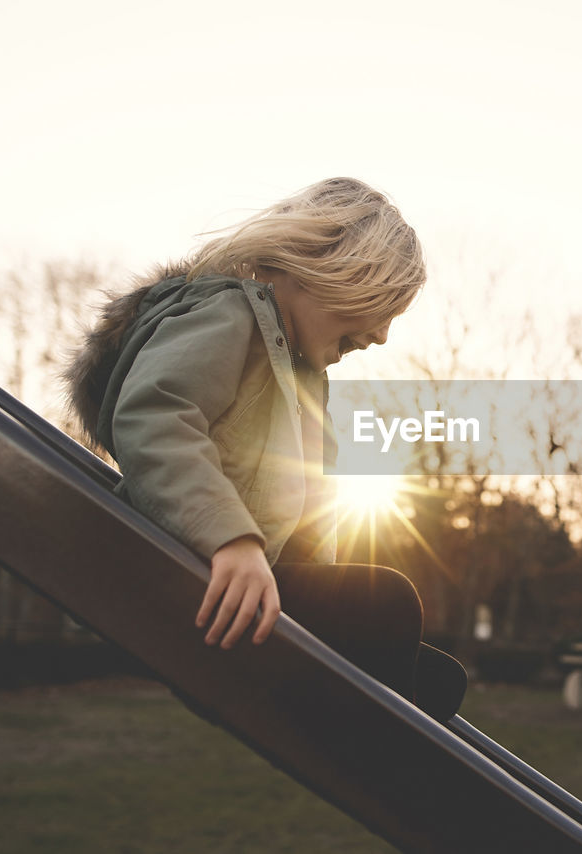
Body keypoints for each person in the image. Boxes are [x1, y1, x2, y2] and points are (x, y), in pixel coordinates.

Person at [64, 177, 466, 722]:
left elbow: (307, 503)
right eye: (377, 308)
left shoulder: (297, 374)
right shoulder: (228, 317)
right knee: (386, 602)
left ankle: (379, 721)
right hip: (190, 576)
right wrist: (232, 541)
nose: (382, 337)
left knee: (437, 676)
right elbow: (156, 419)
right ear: (319, 272)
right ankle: (381, 750)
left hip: (248, 579)